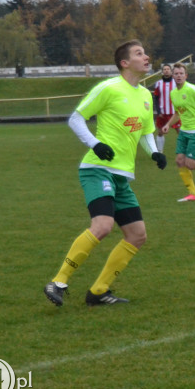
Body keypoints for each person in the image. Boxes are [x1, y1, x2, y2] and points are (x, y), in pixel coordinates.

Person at [44, 40, 167, 307]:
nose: (146, 57)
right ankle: (58, 282)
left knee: (137, 235)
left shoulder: (146, 95)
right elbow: (76, 118)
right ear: (125, 63)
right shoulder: (109, 88)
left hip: (122, 177)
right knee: (102, 226)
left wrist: (154, 152)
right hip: (96, 169)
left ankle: (99, 291)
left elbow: (146, 131)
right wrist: (96, 144)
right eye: (139, 54)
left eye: (145, 52)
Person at [162, 62, 195, 202]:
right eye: (176, 73)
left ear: (186, 76)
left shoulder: (192, 89)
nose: (179, 76)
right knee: (180, 161)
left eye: (181, 74)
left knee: (191, 164)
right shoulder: (173, 93)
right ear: (173, 76)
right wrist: (168, 124)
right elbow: (178, 113)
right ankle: (194, 194)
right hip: (184, 132)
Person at [152, 63, 179, 153]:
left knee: (180, 132)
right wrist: (159, 111)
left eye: (168, 69)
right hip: (163, 112)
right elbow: (156, 98)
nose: (166, 70)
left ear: (171, 71)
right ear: (162, 71)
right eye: (164, 69)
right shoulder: (158, 83)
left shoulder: (176, 82)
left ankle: (183, 150)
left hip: (174, 112)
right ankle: (160, 151)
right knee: (160, 132)